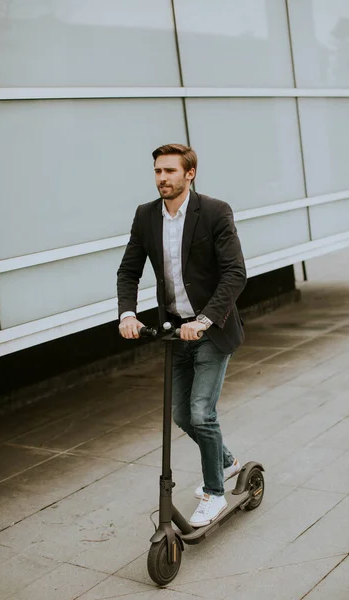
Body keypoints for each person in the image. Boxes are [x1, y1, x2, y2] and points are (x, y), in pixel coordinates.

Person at [117, 143, 247, 527]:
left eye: (170, 171)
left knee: (201, 414)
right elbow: (128, 271)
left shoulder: (214, 211)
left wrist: (204, 320)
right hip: (175, 330)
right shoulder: (145, 217)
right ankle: (227, 462)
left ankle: (215, 493)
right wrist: (127, 313)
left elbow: (235, 274)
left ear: (189, 173)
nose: (162, 179)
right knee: (181, 415)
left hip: (211, 328)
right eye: (158, 171)